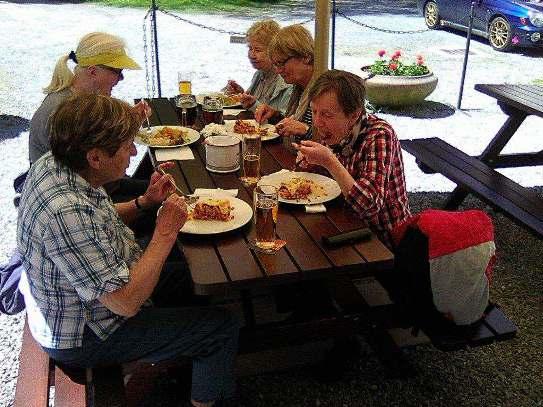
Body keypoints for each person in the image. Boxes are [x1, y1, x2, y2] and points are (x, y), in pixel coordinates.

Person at [17, 93, 239, 407]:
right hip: (85, 333)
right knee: (221, 326)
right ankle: (211, 398)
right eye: (125, 147)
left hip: (93, 297)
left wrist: (144, 202)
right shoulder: (65, 211)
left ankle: (189, 368)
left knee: (192, 273)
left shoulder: (57, 164)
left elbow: (96, 222)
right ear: (95, 157)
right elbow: (126, 303)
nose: (134, 152)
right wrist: (164, 233)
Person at [294, 69, 411, 249]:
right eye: (314, 111)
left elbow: (370, 206)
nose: (317, 122)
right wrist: (311, 163)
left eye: (326, 114)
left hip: (384, 239)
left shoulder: (379, 134)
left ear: (354, 114)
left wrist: (329, 161)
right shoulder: (335, 130)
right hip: (343, 220)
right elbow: (327, 181)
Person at [27, 32, 149, 203]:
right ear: (93, 71)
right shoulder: (62, 110)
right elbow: (96, 170)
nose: (121, 79)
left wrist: (130, 121)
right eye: (118, 72)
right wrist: (143, 202)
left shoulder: (84, 100)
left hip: (97, 185)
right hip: (80, 196)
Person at [254, 24, 316, 145]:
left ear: (306, 57)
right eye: (275, 65)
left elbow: (339, 143)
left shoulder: (325, 91)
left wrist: (306, 131)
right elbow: (294, 126)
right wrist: (274, 115)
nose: (278, 70)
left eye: (281, 63)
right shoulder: (300, 87)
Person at [224, 19, 292, 114]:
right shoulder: (259, 74)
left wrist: (252, 104)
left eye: (257, 50)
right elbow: (251, 103)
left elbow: (282, 119)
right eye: (250, 48)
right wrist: (239, 95)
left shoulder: (286, 81)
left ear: (274, 51)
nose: (251, 55)